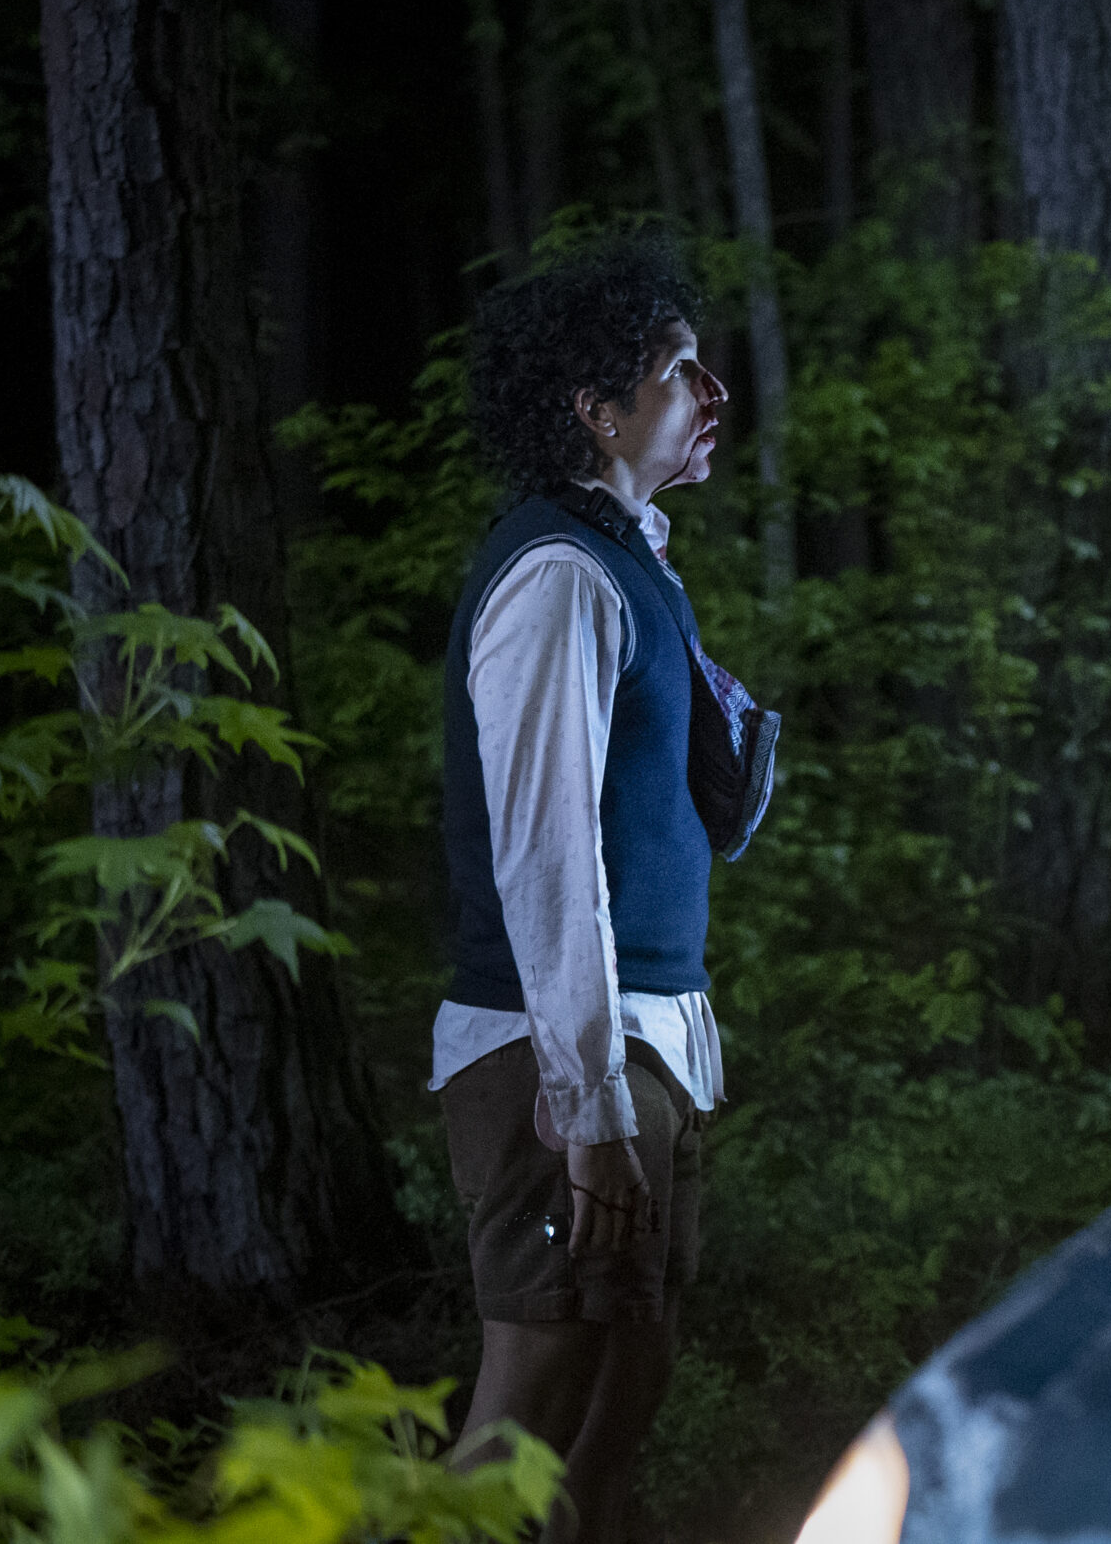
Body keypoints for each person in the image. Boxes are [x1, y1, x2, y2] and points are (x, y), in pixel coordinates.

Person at [433, 235, 749, 1542]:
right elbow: (546, 854)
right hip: (558, 1052)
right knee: (533, 1400)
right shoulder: (559, 574)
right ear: (597, 410)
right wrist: (589, 1102)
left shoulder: (625, 559)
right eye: (678, 369)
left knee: (625, 1380)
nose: (713, 392)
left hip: (638, 1039)